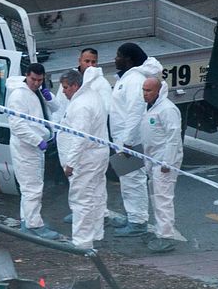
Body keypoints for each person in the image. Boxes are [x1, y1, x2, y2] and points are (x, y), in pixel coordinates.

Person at [109, 42, 163, 237]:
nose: (115, 58)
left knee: (133, 179)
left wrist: (128, 142)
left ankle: (138, 221)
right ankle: (133, 216)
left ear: (128, 59)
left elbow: (135, 112)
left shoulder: (133, 81)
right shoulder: (129, 78)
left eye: (118, 55)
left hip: (129, 141)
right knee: (128, 179)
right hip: (124, 140)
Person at [6, 63, 60, 240]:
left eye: (40, 80)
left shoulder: (37, 92)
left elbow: (55, 108)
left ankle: (27, 220)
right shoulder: (19, 96)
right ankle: (34, 225)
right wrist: (38, 141)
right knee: (33, 188)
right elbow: (17, 126)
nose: (36, 83)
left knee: (30, 186)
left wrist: (48, 97)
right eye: (33, 79)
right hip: (26, 147)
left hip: (35, 146)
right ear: (26, 76)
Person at [57, 68, 109, 249]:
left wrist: (70, 163)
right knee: (96, 195)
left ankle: (82, 241)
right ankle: (96, 233)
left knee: (82, 199)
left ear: (75, 85)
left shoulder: (82, 106)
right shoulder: (92, 96)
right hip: (97, 154)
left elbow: (79, 137)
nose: (63, 92)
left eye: (65, 88)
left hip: (86, 158)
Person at [141, 77, 183, 252]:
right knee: (156, 197)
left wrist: (168, 161)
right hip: (154, 159)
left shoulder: (167, 109)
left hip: (164, 162)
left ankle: (166, 236)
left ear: (158, 91)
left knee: (163, 199)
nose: (144, 94)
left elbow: (174, 137)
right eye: (143, 90)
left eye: (148, 90)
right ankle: (161, 231)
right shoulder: (150, 107)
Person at [53, 47, 112, 120]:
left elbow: (106, 108)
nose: (90, 65)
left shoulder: (102, 83)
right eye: (87, 61)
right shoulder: (68, 78)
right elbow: (60, 104)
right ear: (80, 61)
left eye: (93, 62)